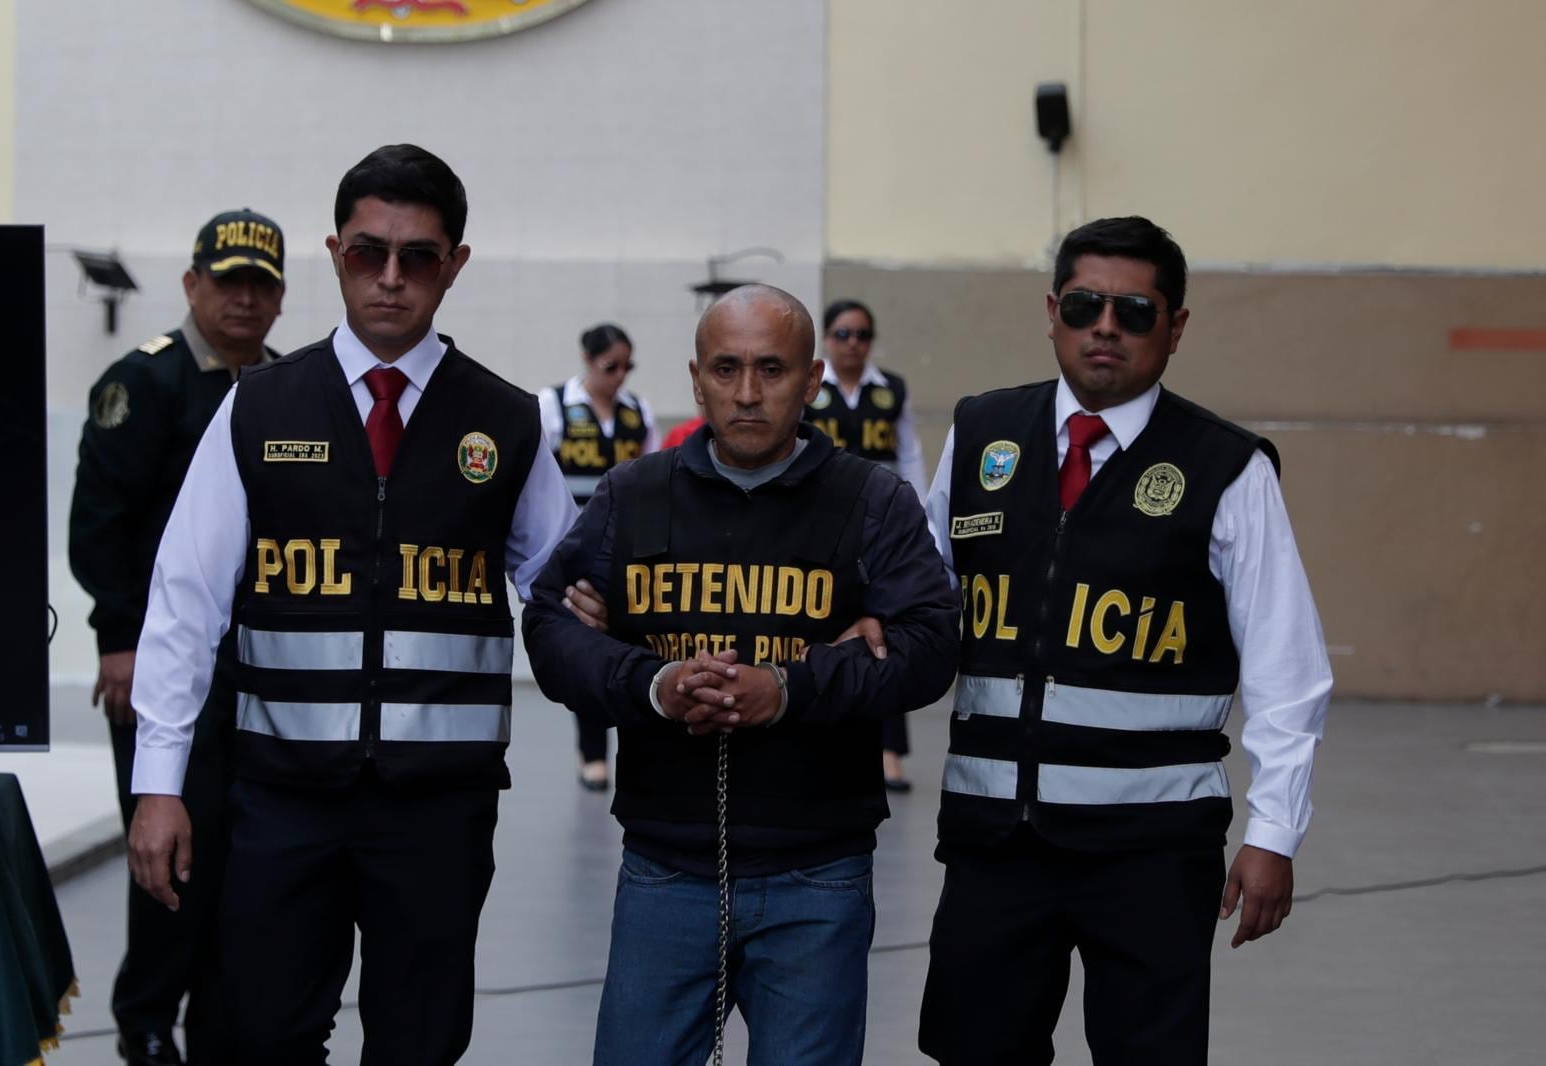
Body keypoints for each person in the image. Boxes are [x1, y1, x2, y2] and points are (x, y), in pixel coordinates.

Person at [124, 144, 576, 1066]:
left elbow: (567, 591)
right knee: (260, 1035)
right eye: (370, 253)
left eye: (419, 257)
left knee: (419, 1042)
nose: (392, 279)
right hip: (284, 802)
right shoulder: (258, 409)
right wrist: (159, 783)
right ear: (335, 254)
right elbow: (185, 602)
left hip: (440, 811)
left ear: (455, 265)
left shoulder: (506, 421)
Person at [917, 216, 1332, 1065]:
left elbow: (1289, 671)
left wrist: (1273, 834)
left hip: (1151, 852)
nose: (1105, 326)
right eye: (1084, 304)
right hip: (996, 841)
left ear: (1174, 328)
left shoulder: (1226, 468)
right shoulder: (981, 434)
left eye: (1134, 311)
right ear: (1052, 312)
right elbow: (917, 600)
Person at [522, 284, 959, 1066]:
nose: (748, 393)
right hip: (665, 868)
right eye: (726, 369)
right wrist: (651, 684)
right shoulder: (634, 494)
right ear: (696, 378)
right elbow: (550, 622)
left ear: (813, 378)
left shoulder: (873, 501)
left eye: (771, 369)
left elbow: (930, 643)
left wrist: (790, 687)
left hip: (817, 876)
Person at [69, 207, 286, 1066]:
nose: (241, 298)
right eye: (226, 280)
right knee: (172, 850)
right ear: (192, 284)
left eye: (259, 284)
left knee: (247, 861)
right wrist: (118, 638)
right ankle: (148, 1020)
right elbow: (100, 524)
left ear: (278, 298)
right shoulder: (148, 383)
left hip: (263, 670)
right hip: (160, 665)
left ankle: (223, 1023)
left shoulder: (289, 388)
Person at [806, 299, 929, 792]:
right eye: (841, 334)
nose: (852, 344)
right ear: (827, 340)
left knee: (886, 629)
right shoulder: (812, 389)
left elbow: (911, 456)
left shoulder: (891, 390)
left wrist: (918, 520)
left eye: (861, 334)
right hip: (820, 525)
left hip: (879, 527)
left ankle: (890, 751)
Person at [537, 324, 660, 789]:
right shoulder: (554, 407)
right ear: (588, 361)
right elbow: (539, 483)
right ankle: (592, 754)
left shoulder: (637, 411)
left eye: (628, 366)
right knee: (588, 648)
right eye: (612, 367)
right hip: (577, 549)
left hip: (629, 550)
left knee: (631, 644)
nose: (620, 376)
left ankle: (632, 746)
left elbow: (652, 478)